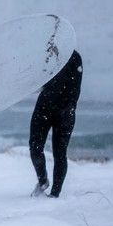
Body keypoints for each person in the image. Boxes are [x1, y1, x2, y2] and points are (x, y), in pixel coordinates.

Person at [29, 49, 83, 198]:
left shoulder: (74, 57)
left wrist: (68, 110)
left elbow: (75, 89)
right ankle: (42, 181)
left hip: (64, 112)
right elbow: (36, 80)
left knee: (59, 153)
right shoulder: (46, 54)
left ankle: (55, 194)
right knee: (34, 147)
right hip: (43, 108)